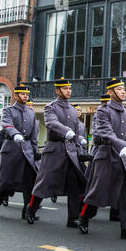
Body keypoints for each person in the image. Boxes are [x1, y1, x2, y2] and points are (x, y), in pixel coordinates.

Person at [78, 78, 126, 240]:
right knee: (97, 192)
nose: (123, 91)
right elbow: (105, 132)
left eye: (124, 89)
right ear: (110, 92)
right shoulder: (103, 111)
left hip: (122, 157)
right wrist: (120, 145)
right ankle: (84, 217)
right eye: (119, 89)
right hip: (106, 155)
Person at [25, 78, 88, 227]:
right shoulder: (50, 107)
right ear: (57, 91)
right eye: (65, 89)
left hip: (70, 152)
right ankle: (31, 209)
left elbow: (76, 132)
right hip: (54, 150)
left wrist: (80, 142)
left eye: (69, 89)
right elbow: (51, 123)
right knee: (44, 183)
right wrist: (66, 131)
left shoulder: (73, 110)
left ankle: (72, 218)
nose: (68, 91)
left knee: (74, 183)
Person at [0, 85, 40, 220]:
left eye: (26, 94)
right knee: (4, 180)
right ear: (16, 96)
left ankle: (27, 210)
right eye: (22, 94)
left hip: (27, 151)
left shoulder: (31, 113)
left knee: (29, 181)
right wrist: (15, 134)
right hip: (11, 149)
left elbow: (34, 134)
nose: (25, 96)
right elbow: (6, 123)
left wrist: (35, 150)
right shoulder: (8, 110)